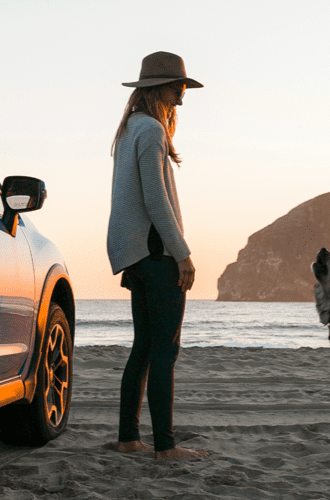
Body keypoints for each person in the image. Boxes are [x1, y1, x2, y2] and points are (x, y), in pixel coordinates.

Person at [105, 51, 209, 460]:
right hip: (155, 252)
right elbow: (156, 199)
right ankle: (165, 447)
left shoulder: (130, 129)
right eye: (177, 87)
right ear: (156, 88)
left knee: (144, 348)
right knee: (165, 350)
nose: (181, 97)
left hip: (135, 253)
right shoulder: (150, 130)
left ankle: (129, 437)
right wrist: (181, 253)